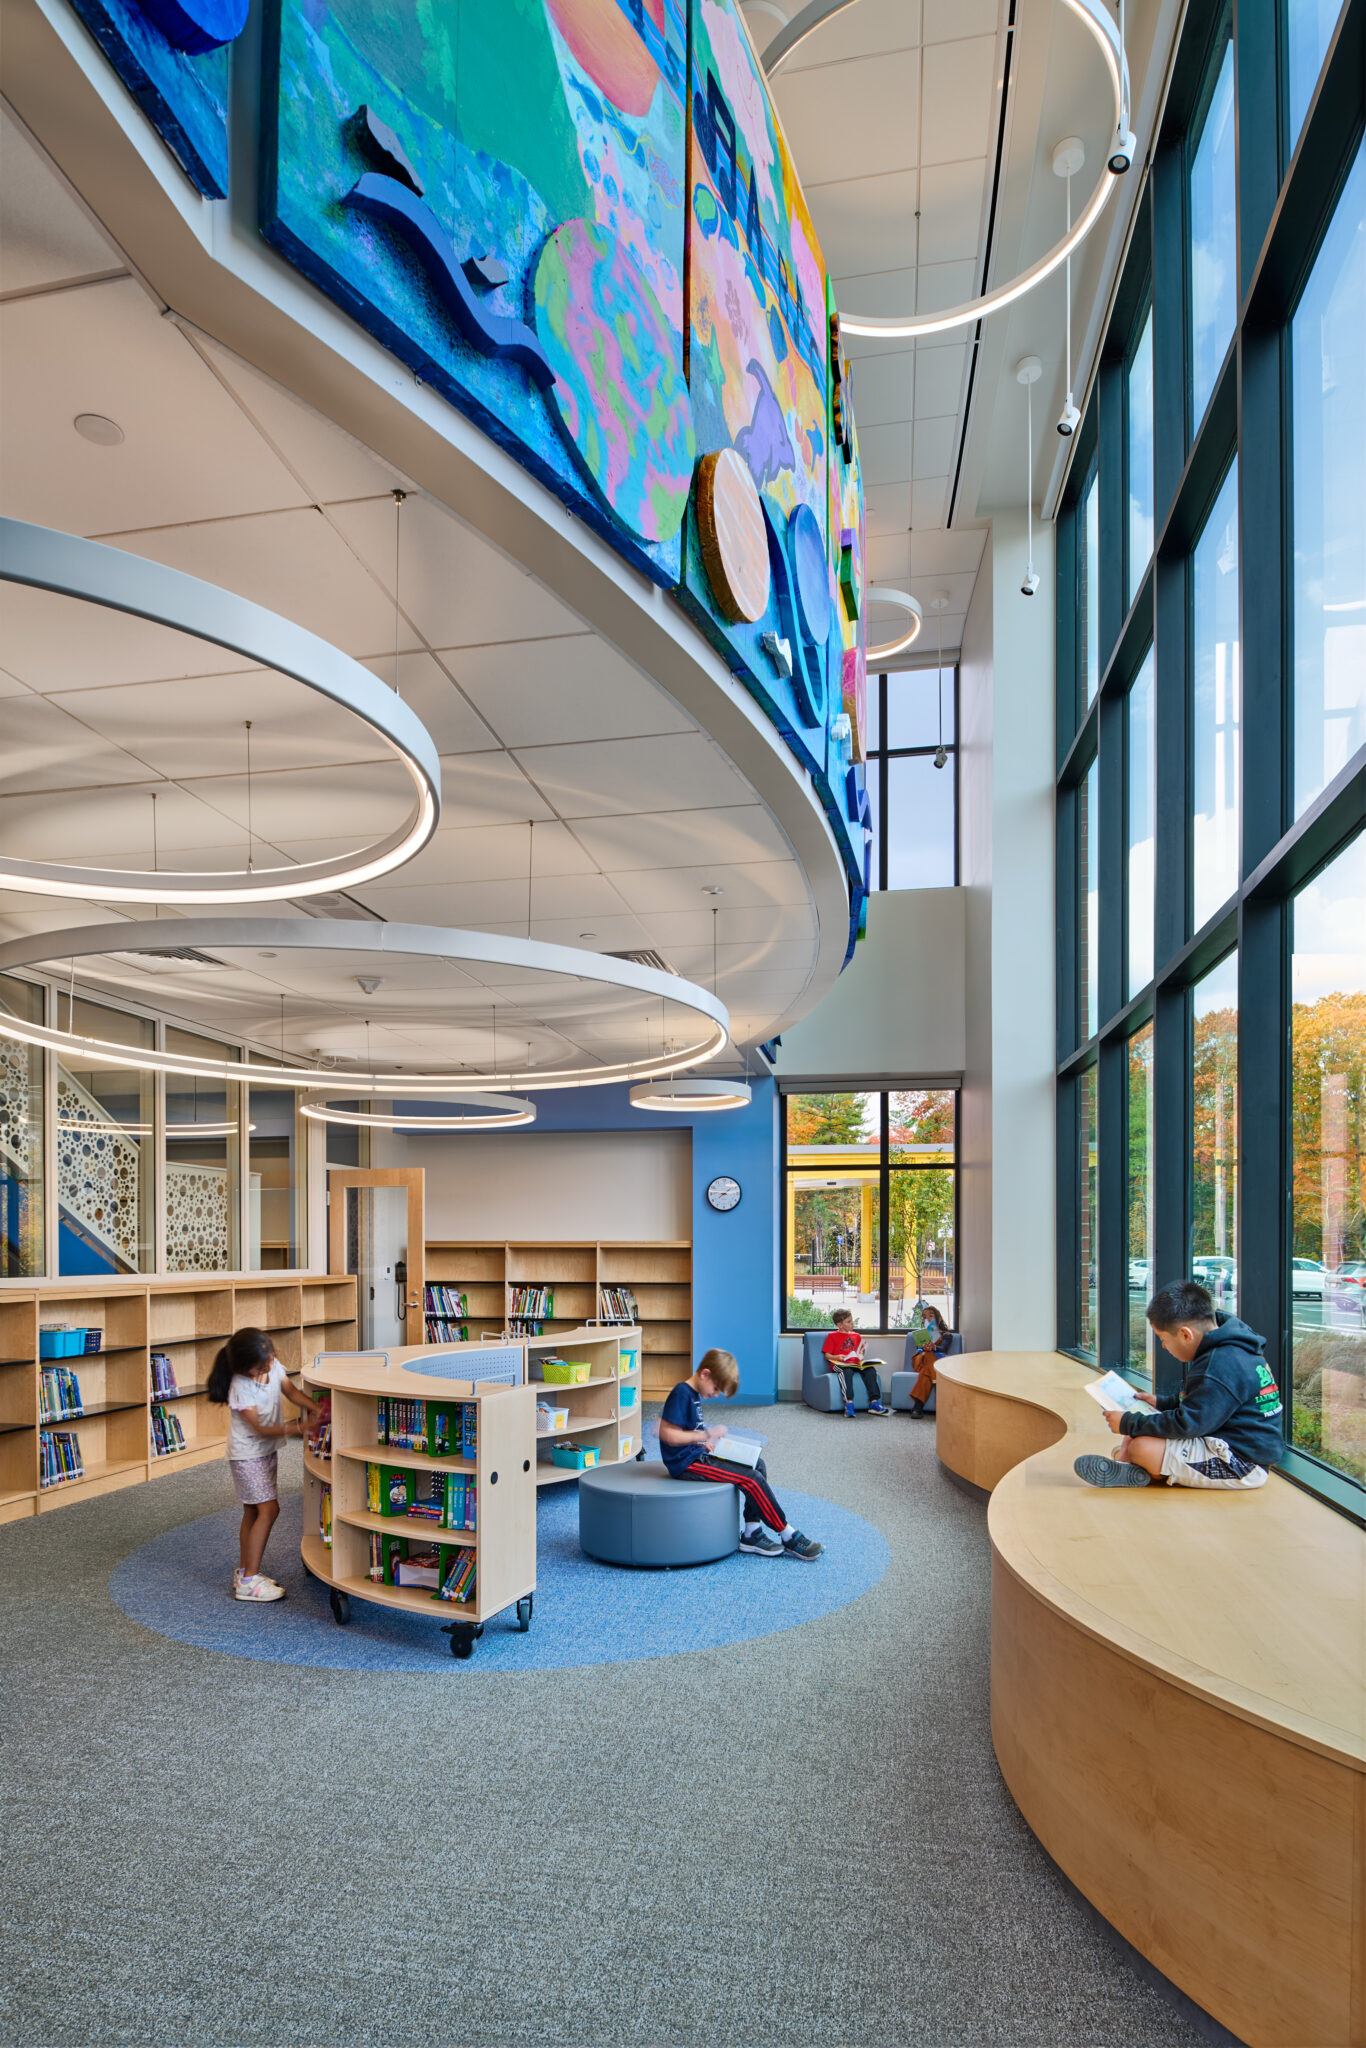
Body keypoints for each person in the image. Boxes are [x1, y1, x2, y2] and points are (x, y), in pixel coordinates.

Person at [1074, 1280, 1284, 1490]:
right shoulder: (1228, 1347)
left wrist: (1128, 1422)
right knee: (1140, 1430)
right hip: (1225, 1440)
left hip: (1242, 1463)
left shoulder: (1219, 1365)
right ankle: (1133, 1465)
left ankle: (1134, 1463)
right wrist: (1162, 1402)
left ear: (1185, 1334)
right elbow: (1206, 1402)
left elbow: (1188, 1425)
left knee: (1142, 1447)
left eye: (1163, 1338)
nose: (1163, 1346)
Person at [658, 1348, 823, 1560]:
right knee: (751, 1479)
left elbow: (687, 1429)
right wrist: (705, 1434)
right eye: (716, 1388)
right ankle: (788, 1535)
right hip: (685, 1463)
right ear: (704, 1374)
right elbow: (668, 1434)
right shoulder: (681, 1392)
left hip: (696, 1454)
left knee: (757, 1464)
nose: (716, 1394)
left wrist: (704, 1441)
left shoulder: (692, 1394)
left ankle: (751, 1533)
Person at [207, 1327, 320, 1599]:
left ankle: (246, 1570)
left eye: (269, 1361)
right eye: (259, 1368)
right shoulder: (240, 1386)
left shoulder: (273, 1364)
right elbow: (259, 1428)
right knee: (269, 1510)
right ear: (244, 1369)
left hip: (265, 1453)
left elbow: (291, 1391)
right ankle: (249, 1582)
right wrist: (300, 1427)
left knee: (253, 1512)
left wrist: (316, 1408)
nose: (267, 1369)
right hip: (248, 1455)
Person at [821, 1310, 890, 1416]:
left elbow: (858, 1354)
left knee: (870, 1370)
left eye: (852, 1320)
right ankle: (849, 1404)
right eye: (848, 1322)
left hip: (855, 1363)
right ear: (839, 1325)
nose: (852, 1323)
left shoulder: (856, 1336)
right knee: (847, 1371)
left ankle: (874, 1403)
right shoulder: (832, 1336)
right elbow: (827, 1355)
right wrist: (837, 1357)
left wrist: (861, 1355)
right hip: (839, 1364)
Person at [905, 1304, 951, 1415]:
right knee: (927, 1354)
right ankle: (936, 1380)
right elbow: (919, 1350)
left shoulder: (947, 1335)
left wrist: (934, 1347)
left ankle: (917, 1407)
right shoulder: (920, 1334)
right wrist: (925, 1347)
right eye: (925, 1317)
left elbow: (944, 1348)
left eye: (931, 1315)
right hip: (920, 1360)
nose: (928, 1318)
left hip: (935, 1361)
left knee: (926, 1371)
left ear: (938, 1318)